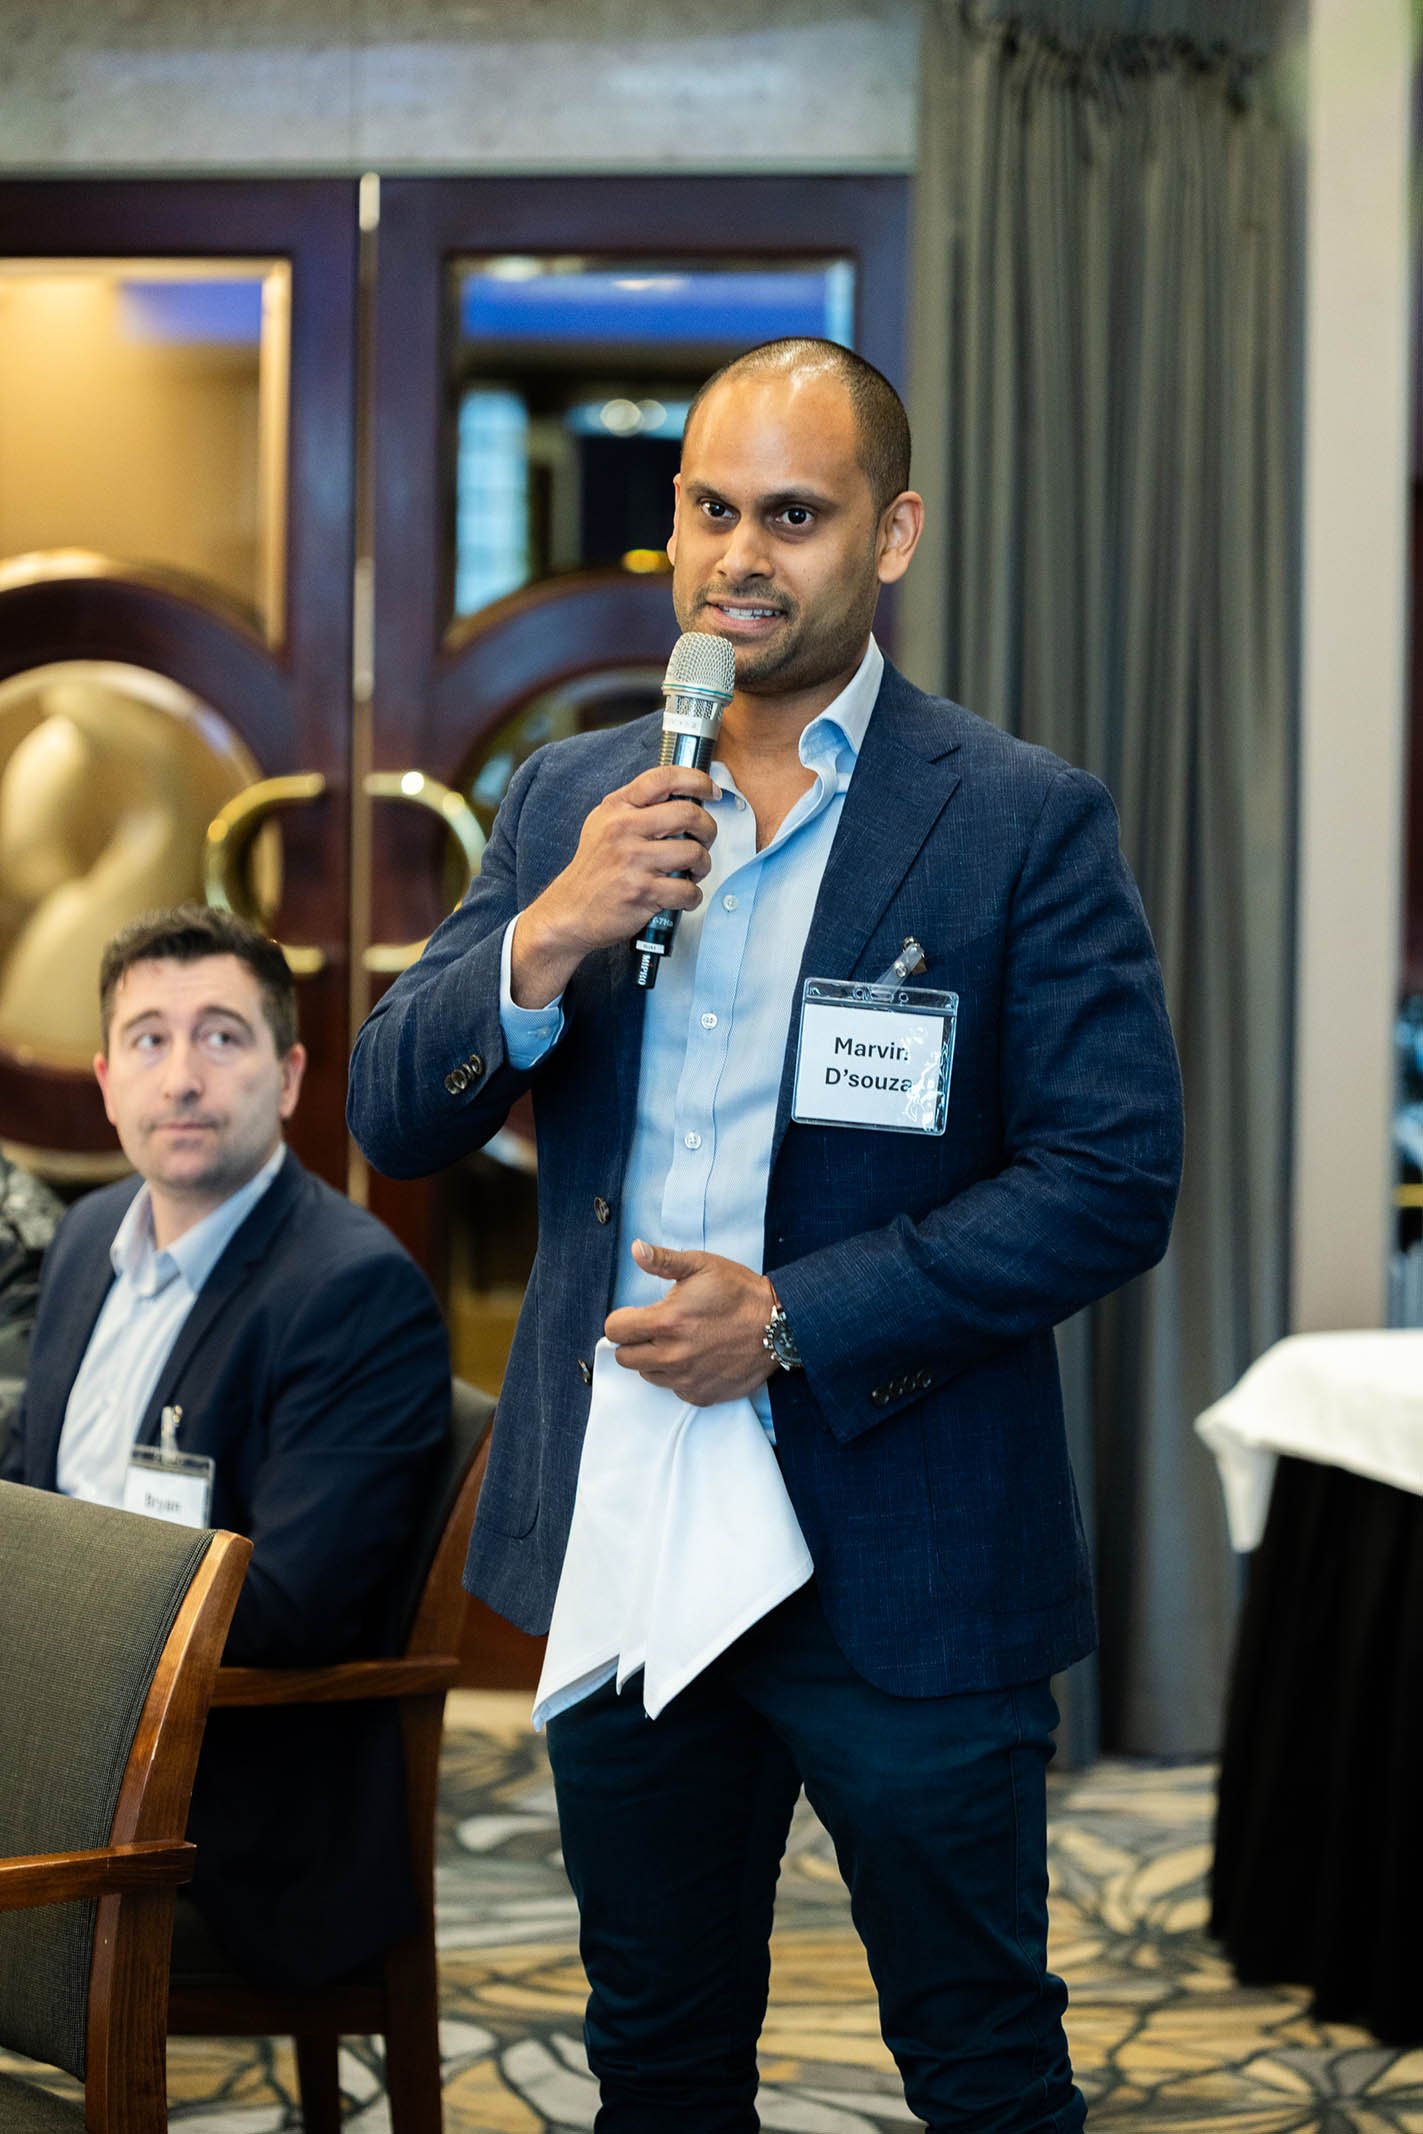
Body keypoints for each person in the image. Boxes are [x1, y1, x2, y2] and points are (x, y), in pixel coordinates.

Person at [348, 339, 1184, 2130]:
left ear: (890, 535)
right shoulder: (569, 799)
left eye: (792, 516)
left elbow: (1111, 1174)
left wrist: (792, 1317)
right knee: (655, 2052)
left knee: (979, 2058)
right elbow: (394, 1111)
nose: (740, 555)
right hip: (630, 1522)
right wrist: (547, 934)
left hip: (905, 1539)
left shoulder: (1015, 816)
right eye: (712, 508)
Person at [3, 903, 450, 1989]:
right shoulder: (86, 1238)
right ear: (106, 1081)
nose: (182, 1078)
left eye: (221, 1036)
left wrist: (47, 1618)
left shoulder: (351, 1290)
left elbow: (293, 1607)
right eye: (149, 1040)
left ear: (288, 1077)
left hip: (212, 1815)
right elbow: (25, 1482)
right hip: (49, 1749)